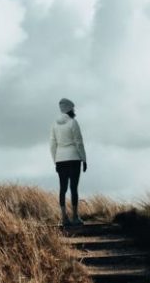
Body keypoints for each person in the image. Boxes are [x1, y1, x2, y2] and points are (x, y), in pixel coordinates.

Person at [50, 97, 87, 226]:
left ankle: (64, 217)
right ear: (69, 109)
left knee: (62, 188)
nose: (74, 110)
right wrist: (84, 158)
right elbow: (79, 142)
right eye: (73, 109)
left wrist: (55, 160)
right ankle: (75, 216)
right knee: (73, 188)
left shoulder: (54, 124)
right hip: (74, 158)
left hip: (60, 159)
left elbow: (52, 144)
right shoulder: (73, 122)